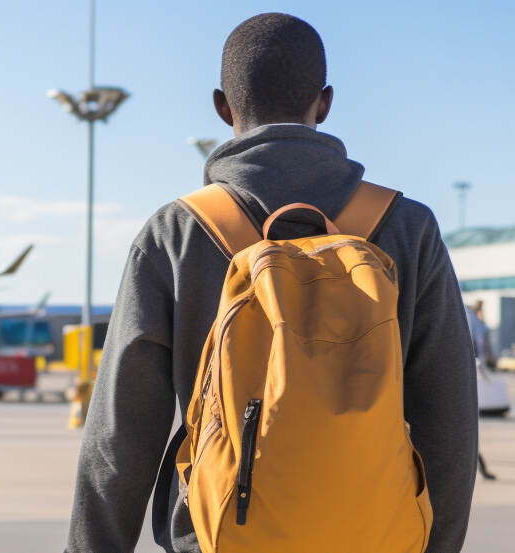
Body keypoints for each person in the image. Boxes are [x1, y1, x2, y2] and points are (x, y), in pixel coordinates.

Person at [65, 13, 477, 553]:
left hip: (218, 535)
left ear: (222, 106)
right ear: (324, 102)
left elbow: (121, 431)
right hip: (375, 535)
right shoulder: (405, 227)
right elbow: (448, 419)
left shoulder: (178, 232)